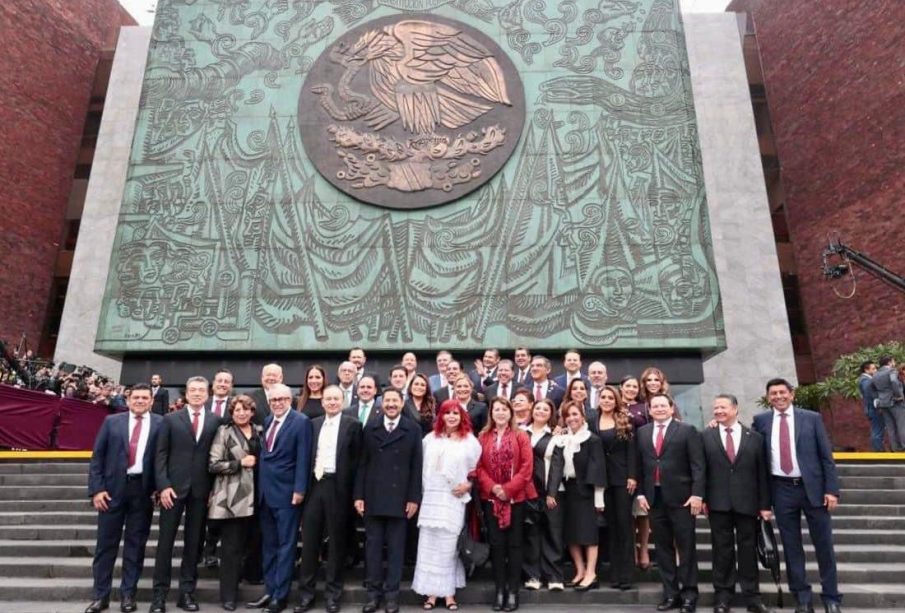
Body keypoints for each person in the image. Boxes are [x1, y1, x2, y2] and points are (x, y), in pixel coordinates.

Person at [752, 379, 842, 613]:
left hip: (812, 489)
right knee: (791, 547)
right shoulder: (761, 421)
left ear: (792, 394)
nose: (778, 396)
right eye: (773, 393)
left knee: (824, 546)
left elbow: (826, 457)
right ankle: (802, 598)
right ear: (768, 397)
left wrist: (831, 490)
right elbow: (753, 452)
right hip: (781, 490)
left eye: (783, 392)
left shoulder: (811, 418)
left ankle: (831, 597)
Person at [84, 383, 161, 613]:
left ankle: (128, 595)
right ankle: (100, 596)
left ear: (151, 401)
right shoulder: (111, 422)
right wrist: (96, 490)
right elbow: (97, 458)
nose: (139, 401)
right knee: (105, 546)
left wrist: (159, 487)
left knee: (135, 547)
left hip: (142, 492)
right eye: (135, 397)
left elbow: (162, 459)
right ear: (128, 400)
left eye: (144, 397)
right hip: (111, 491)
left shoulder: (161, 424)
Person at [151, 376, 222, 613]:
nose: (198, 394)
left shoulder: (216, 421)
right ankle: (159, 596)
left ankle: (186, 593)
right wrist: (163, 486)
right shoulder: (170, 419)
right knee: (165, 544)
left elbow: (216, 456)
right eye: (193, 390)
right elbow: (160, 455)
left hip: (201, 492)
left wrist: (213, 489)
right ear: (186, 393)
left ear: (208, 393)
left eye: (202, 390)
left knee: (194, 545)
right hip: (172, 490)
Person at [354, 388, 423, 613]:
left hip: (401, 498)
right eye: (387, 401)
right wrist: (359, 495)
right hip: (373, 496)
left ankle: (392, 596)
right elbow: (362, 464)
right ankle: (373, 595)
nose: (391, 404)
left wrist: (414, 498)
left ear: (402, 403)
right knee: (373, 549)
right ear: (381, 403)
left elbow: (416, 467)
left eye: (395, 400)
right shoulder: (370, 426)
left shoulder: (412, 429)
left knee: (396, 549)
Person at [703, 394, 772, 613]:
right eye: (715, 408)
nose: (718, 411)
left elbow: (762, 473)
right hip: (718, 503)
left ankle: (752, 596)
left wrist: (765, 505)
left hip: (748, 503)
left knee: (747, 551)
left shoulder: (755, 437)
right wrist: (703, 498)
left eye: (723, 407)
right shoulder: (705, 436)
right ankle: (723, 596)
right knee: (721, 551)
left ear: (735, 409)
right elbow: (701, 470)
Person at [635, 393, 704, 613]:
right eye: (655, 406)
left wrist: (697, 495)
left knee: (686, 548)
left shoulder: (687, 430)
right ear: (649, 409)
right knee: (663, 549)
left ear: (672, 408)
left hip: (683, 498)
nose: (659, 409)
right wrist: (640, 494)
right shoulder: (642, 432)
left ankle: (689, 595)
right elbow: (639, 465)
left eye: (663, 405)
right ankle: (671, 594)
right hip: (654, 499)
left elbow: (698, 466)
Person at [297, 386, 363, 613]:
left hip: (339, 487)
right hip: (315, 486)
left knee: (336, 544)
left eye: (336, 398)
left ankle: (332, 595)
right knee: (310, 543)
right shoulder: (312, 424)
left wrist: (355, 494)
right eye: (328, 399)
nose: (332, 402)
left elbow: (358, 463)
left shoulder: (353, 425)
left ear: (342, 401)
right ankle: (306, 595)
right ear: (322, 402)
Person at [413, 400, 482, 610]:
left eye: (455, 413)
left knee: (449, 547)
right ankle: (432, 593)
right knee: (429, 546)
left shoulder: (469, 441)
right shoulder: (429, 439)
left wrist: (468, 485)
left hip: (453, 499)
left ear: (462, 416)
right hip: (431, 499)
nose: (451, 416)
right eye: (447, 413)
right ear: (440, 416)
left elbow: (477, 469)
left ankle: (449, 593)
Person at [250, 383, 313, 613]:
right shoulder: (267, 421)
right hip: (265, 494)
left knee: (286, 546)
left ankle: (281, 596)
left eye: (282, 399)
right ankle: (270, 590)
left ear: (290, 400)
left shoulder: (301, 422)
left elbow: (303, 458)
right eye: (274, 400)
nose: (277, 403)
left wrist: (299, 490)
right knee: (269, 545)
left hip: (288, 495)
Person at [475, 397, 537, 612]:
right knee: (497, 545)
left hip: (516, 499)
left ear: (511, 413)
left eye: (504, 409)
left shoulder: (521, 435)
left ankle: (512, 592)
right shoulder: (482, 436)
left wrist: (507, 489)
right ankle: (499, 590)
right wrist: (494, 488)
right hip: (491, 499)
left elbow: (527, 468)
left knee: (515, 544)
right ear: (491, 413)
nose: (500, 413)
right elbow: (478, 467)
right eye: (496, 410)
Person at [208, 395, 262, 611]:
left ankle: (251, 577)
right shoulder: (224, 431)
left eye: (246, 409)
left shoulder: (260, 431)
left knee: (253, 543)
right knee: (231, 549)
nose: (241, 413)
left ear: (252, 412)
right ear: (231, 413)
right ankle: (228, 595)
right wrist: (239, 463)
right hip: (233, 498)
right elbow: (213, 464)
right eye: (237, 410)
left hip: (258, 496)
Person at [588, 385, 637, 590]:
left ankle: (626, 576)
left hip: (622, 478)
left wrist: (632, 476)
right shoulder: (592, 421)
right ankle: (614, 575)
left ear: (616, 400)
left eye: (610, 397)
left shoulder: (625, 420)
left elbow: (632, 451)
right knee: (609, 527)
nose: (606, 400)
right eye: (603, 397)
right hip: (601, 479)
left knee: (624, 525)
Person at [559, 400, 607, 592]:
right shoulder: (562, 438)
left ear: (583, 416)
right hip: (567, 490)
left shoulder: (592, 439)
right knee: (571, 534)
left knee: (589, 534)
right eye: (568, 415)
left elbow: (599, 469)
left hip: (586, 492)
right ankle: (579, 570)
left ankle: (591, 573)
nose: (572, 418)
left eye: (575, 414)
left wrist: (599, 497)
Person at [522, 398, 565, 592]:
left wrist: (552, 493)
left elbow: (557, 466)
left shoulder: (556, 436)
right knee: (530, 534)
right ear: (532, 410)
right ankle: (533, 576)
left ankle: (554, 576)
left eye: (545, 409)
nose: (540, 411)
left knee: (552, 533)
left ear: (551, 414)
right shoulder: (521, 432)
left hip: (548, 492)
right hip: (526, 492)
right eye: (537, 408)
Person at [202, 368, 236, 569]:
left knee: (219, 512)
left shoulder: (235, 407)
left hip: (224, 468)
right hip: (200, 468)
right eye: (219, 380)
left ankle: (211, 551)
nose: (223, 384)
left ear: (231, 386)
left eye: (227, 381)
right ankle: (200, 550)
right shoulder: (202, 404)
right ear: (213, 384)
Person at [621, 374, 652, 569]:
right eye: (627, 386)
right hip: (620, 463)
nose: (631, 389)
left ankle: (644, 549)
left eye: (634, 386)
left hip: (641, 462)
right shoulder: (616, 406)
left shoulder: (644, 408)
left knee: (642, 512)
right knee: (626, 513)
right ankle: (630, 549)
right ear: (621, 387)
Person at [871, 356, 905, 451]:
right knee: (902, 424)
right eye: (893, 361)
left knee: (890, 427)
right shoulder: (891, 371)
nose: (894, 363)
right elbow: (894, 381)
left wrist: (879, 397)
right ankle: (904, 446)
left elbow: (872, 387)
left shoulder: (876, 374)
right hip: (895, 401)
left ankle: (895, 448)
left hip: (883, 403)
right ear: (889, 362)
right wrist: (899, 395)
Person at [857, 361, 884, 451]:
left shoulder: (865, 379)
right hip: (874, 409)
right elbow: (869, 394)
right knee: (877, 431)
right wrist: (877, 404)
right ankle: (879, 451)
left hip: (871, 409)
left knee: (877, 430)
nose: (876, 370)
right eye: (873, 369)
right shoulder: (865, 380)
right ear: (866, 370)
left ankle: (879, 449)